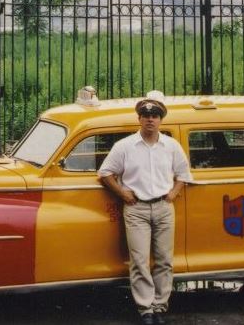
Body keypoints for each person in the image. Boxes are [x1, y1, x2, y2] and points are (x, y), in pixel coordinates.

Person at [98, 96, 192, 325]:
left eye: (155, 116)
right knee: (139, 260)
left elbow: (184, 174)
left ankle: (160, 306)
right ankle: (145, 309)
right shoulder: (125, 146)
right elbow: (105, 173)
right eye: (146, 116)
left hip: (163, 206)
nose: (150, 119)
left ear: (160, 120)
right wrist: (122, 193)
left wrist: (174, 192)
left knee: (164, 260)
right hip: (136, 208)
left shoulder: (171, 146)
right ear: (139, 119)